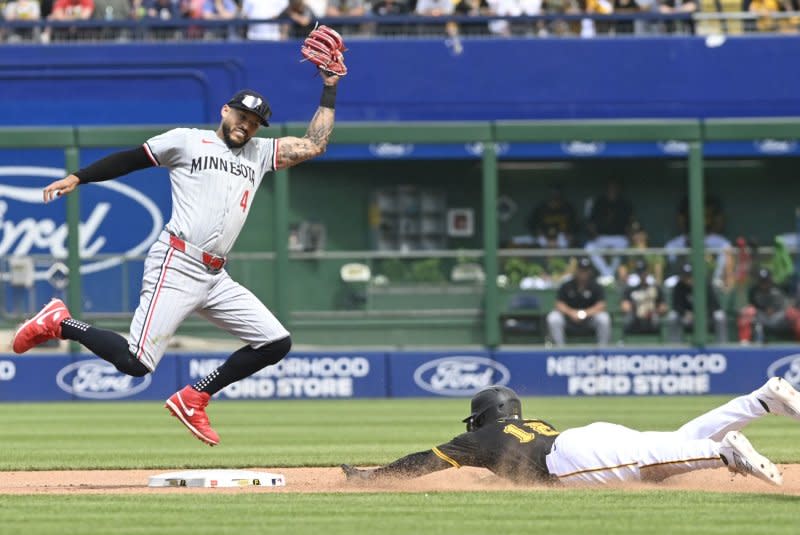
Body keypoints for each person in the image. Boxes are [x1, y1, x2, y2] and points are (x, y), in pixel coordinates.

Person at [12, 30, 347, 447]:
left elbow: (315, 144)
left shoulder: (260, 154)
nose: (246, 124)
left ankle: (195, 396)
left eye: (254, 121)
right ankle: (60, 322)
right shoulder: (189, 140)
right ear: (225, 111)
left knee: (275, 342)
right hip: (178, 262)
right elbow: (132, 159)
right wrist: (78, 177)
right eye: (241, 115)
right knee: (136, 363)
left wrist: (330, 87)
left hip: (216, 275)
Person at [342, 381, 800, 486]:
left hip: (570, 460)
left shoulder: (479, 440)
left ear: (482, 415)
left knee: (646, 464)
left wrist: (372, 477)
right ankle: (761, 400)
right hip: (583, 438)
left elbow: (423, 459)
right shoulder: (530, 424)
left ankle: (725, 453)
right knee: (668, 444)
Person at [546, 257, 611, 346]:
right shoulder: (567, 285)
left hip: (589, 319)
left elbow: (601, 305)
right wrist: (571, 313)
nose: (583, 273)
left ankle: (603, 349)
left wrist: (584, 314)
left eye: (585, 270)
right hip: (569, 319)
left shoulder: (595, 286)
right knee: (553, 318)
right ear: (576, 271)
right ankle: (559, 350)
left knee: (604, 318)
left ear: (589, 271)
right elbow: (559, 304)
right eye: (581, 270)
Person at [584, 179, 634, 284]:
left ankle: (608, 275)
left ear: (619, 189)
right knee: (589, 247)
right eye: (611, 188)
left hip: (619, 238)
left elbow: (630, 223)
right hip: (601, 237)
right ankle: (608, 274)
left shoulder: (624, 203)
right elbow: (591, 222)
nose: (613, 190)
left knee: (623, 245)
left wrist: (629, 236)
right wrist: (594, 235)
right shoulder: (599, 202)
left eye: (615, 188)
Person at [665, 262, 728, 344]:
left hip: (706, 316)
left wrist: (701, 314)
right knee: (672, 316)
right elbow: (676, 305)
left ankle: (722, 344)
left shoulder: (705, 284)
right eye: (685, 276)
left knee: (720, 316)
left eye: (689, 276)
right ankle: (675, 345)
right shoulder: (679, 286)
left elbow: (714, 305)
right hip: (687, 317)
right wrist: (685, 313)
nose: (687, 279)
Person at [737, 267, 800, 343]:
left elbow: (788, 305)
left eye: (766, 281)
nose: (764, 284)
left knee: (794, 314)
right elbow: (752, 307)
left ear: (770, 280)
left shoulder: (779, 288)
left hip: (780, 317)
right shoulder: (753, 290)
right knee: (747, 313)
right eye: (762, 281)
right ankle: (744, 345)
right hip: (762, 317)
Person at [620, 259, 668, 336]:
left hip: (652, 315)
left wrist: (653, 312)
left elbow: (663, 307)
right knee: (628, 319)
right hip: (635, 317)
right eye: (639, 272)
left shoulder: (655, 287)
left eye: (643, 271)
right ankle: (624, 343)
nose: (642, 274)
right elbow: (624, 307)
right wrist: (638, 311)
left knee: (656, 319)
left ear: (647, 271)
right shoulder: (630, 288)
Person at [528, 184, 576, 249]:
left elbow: (574, 224)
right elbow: (532, 223)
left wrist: (570, 234)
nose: (555, 196)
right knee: (539, 242)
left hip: (562, 237)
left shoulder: (567, 208)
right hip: (544, 237)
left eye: (557, 194)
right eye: (553, 194)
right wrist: (538, 233)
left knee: (566, 243)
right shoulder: (541, 208)